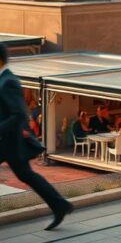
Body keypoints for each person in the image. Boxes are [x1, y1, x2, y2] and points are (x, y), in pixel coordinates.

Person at [0, 44, 73, 231]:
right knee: (27, 175)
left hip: (10, 142)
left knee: (26, 175)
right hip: (7, 141)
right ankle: (59, 205)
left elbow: (17, 114)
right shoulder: (4, 80)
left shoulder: (8, 81)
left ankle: (60, 205)